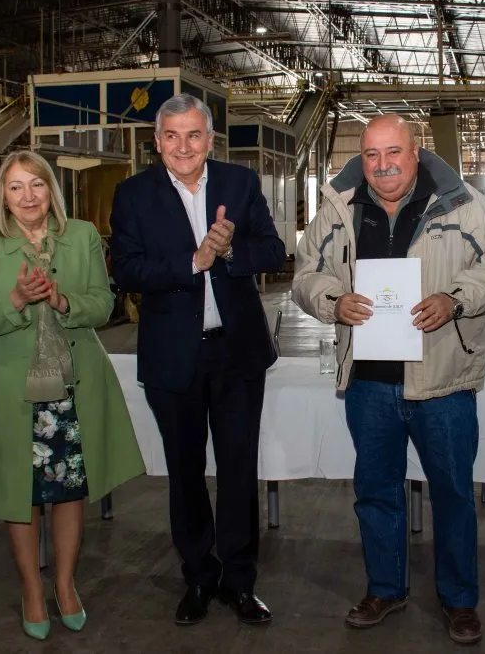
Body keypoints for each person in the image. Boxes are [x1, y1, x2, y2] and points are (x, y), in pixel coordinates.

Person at [292, 115, 485, 645]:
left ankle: (459, 600)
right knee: (375, 492)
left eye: (393, 152)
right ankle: (385, 588)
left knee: (453, 495)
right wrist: (333, 301)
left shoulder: (464, 205)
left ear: (416, 153)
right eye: (371, 155)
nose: (383, 165)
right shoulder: (339, 209)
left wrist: (454, 299)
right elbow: (306, 274)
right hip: (369, 384)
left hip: (443, 381)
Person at [109, 93, 285, 626]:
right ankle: (199, 576)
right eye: (171, 136)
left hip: (236, 353)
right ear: (157, 141)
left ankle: (240, 580)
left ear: (210, 139)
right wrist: (195, 260)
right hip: (172, 357)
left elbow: (273, 251)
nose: (182, 146)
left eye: (193, 135)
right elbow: (127, 269)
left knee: (238, 469)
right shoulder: (133, 194)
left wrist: (228, 251)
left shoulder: (240, 183)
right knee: (184, 473)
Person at [0, 150, 146, 641]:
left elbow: (103, 304)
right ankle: (31, 590)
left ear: (51, 191)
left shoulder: (81, 236)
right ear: (2, 196)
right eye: (16, 187)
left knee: (68, 488)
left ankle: (64, 585)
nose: (28, 196)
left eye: (37, 184)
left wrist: (63, 300)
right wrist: (17, 300)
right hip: (12, 388)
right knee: (19, 493)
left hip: (71, 385)